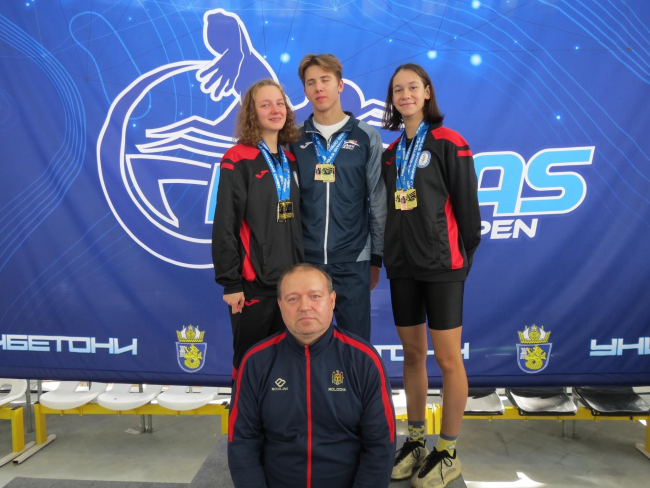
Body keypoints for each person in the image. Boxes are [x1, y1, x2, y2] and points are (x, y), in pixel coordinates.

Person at [381, 64, 481, 487]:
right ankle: (417, 440)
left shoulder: (448, 142)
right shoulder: (390, 154)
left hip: (442, 266)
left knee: (447, 359)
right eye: (397, 90)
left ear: (426, 92)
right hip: (402, 266)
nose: (405, 94)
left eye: (412, 87)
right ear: (392, 99)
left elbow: (468, 212)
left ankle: (448, 450)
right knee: (412, 355)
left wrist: (458, 261)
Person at [228, 264, 396, 488]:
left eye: (315, 296)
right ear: (280, 305)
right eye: (293, 299)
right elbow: (242, 441)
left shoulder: (364, 360)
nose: (305, 307)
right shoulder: (256, 361)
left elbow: (380, 444)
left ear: (332, 300)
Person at [291, 54, 387, 342]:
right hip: (306, 261)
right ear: (305, 90)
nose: (319, 87)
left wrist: (376, 257)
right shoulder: (293, 139)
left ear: (340, 85)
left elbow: (377, 201)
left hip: (353, 259)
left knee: (356, 346)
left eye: (325, 80)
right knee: (306, 345)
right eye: (311, 82)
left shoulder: (367, 136)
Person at [212, 79, 303, 377]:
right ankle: (243, 412)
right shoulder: (238, 158)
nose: (275, 110)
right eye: (265, 105)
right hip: (252, 286)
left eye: (279, 103)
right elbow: (225, 224)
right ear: (252, 113)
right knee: (250, 368)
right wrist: (231, 283)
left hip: (289, 286)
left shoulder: (290, 160)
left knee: (284, 370)